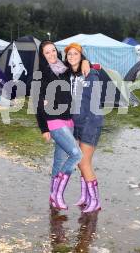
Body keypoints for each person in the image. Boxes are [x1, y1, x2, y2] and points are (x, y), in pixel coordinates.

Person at [36, 41, 89, 210]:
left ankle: (53, 196)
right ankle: (58, 193)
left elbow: (77, 61)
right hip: (54, 121)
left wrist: (86, 60)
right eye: (47, 53)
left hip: (69, 121)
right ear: (42, 56)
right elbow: (38, 104)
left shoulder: (64, 69)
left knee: (59, 160)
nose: (51, 55)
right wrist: (44, 128)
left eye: (53, 51)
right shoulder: (42, 74)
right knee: (76, 154)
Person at [64, 43, 103, 213]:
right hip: (76, 123)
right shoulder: (68, 75)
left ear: (81, 56)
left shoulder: (91, 74)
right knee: (81, 163)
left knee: (83, 162)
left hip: (90, 122)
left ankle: (95, 200)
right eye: (69, 54)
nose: (72, 56)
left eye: (75, 54)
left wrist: (88, 64)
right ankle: (85, 197)